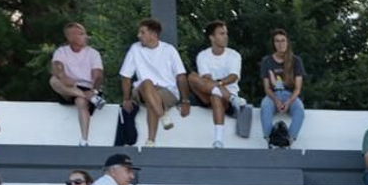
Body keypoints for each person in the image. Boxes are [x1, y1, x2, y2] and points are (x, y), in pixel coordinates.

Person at [118, 18, 189, 148]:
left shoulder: (169, 49)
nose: (138, 35)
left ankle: (151, 141)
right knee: (146, 83)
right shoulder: (135, 48)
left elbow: (181, 76)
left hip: (167, 92)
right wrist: (126, 99)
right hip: (143, 89)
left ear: (154, 35)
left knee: (152, 98)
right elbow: (126, 76)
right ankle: (162, 115)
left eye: (142, 32)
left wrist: (185, 101)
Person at [188, 20, 248, 148]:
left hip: (224, 96)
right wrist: (217, 86)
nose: (225, 36)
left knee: (216, 96)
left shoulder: (234, 55)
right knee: (192, 77)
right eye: (221, 34)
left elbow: (233, 77)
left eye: (226, 33)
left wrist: (218, 83)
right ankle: (233, 99)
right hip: (206, 94)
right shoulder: (203, 55)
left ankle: (218, 140)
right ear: (212, 38)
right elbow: (205, 79)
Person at [49, 22, 105, 146]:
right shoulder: (61, 51)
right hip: (69, 88)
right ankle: (90, 98)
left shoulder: (93, 53)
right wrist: (63, 76)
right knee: (53, 80)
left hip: (89, 87)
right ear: (70, 38)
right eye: (81, 34)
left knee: (81, 101)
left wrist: (94, 91)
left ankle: (84, 140)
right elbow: (56, 66)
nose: (86, 37)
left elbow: (98, 75)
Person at [259, 28, 306, 144]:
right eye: (277, 41)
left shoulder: (296, 61)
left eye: (283, 40)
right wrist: (276, 101)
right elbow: (267, 88)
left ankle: (287, 140)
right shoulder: (266, 61)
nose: (280, 44)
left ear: (287, 42)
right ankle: (270, 140)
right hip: (273, 95)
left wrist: (289, 102)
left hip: (290, 95)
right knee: (265, 107)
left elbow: (298, 88)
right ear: (273, 44)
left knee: (300, 110)